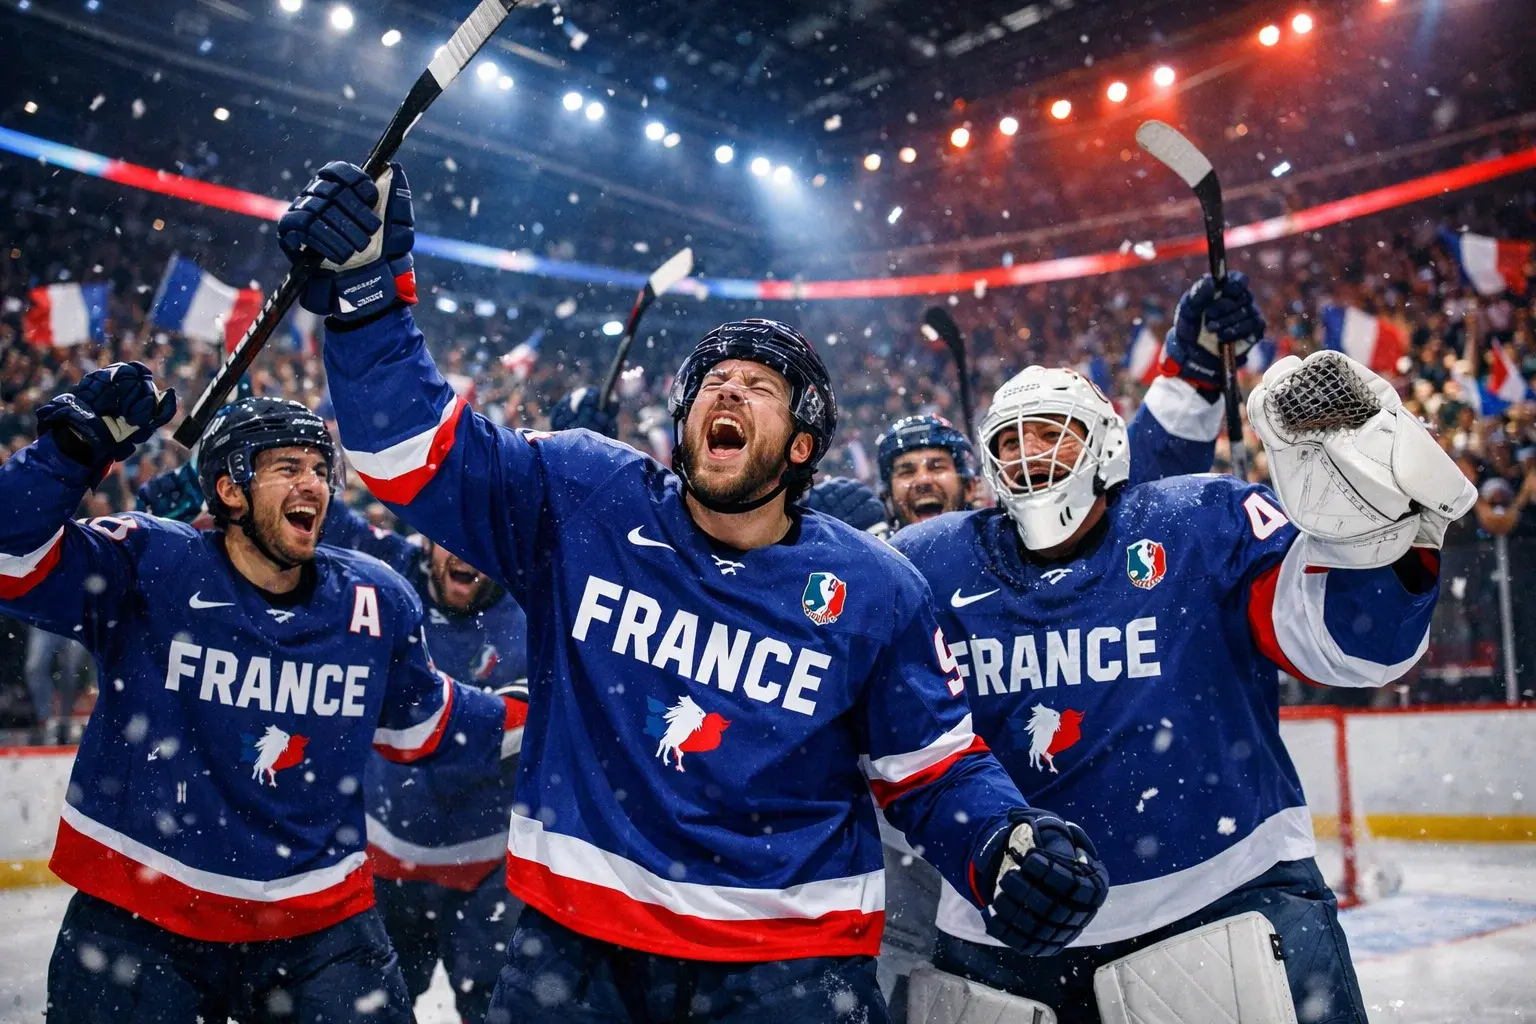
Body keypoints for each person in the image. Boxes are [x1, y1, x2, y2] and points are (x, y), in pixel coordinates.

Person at [277, 159, 1112, 1023]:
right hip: (574, 946)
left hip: (789, 969)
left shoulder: (876, 587)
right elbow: (407, 451)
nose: (728, 388)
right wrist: (369, 296)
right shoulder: (584, 495)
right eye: (713, 380)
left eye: (759, 387)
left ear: (800, 446)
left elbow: (932, 773)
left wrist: (1003, 842)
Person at [890, 326, 1477, 1022]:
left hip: (1222, 902)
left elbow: (1354, 646)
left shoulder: (1195, 520)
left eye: (1053, 432)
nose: (1031, 454)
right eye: (1011, 441)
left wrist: (1384, 541)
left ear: (1106, 444)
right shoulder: (930, 562)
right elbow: (889, 740)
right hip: (1010, 925)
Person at [0, 377, 515, 1024]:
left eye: (321, 469)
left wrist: (541, 712)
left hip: (319, 926)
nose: (314, 484)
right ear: (228, 489)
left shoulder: (374, 600)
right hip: (138, 913)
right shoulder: (152, 563)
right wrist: (70, 454)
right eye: (287, 468)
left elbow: (428, 723)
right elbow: (10, 559)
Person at [139, 455, 533, 1024]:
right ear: (425, 538)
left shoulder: (531, 611)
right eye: (451, 536)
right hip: (381, 867)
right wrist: (219, 480)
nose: (463, 553)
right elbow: (298, 520)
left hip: (491, 874)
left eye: (481, 541)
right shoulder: (385, 573)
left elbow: (502, 726)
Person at [875, 415, 980, 530]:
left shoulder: (997, 545)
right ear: (887, 497)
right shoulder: (873, 546)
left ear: (969, 488)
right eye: (907, 472)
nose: (923, 480)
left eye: (937, 467)